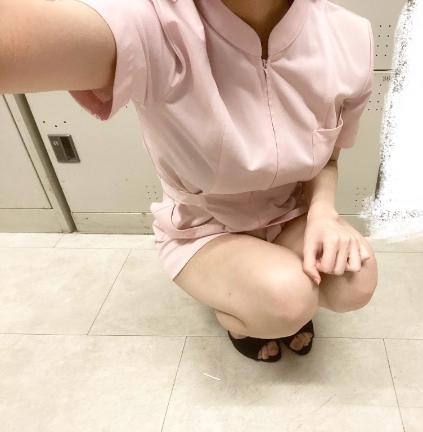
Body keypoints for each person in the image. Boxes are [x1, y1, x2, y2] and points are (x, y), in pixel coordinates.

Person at [1, 0, 378, 362]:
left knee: (356, 281)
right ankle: (241, 320)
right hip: (204, 227)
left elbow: (328, 157)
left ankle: (268, 298)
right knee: (288, 300)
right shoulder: (151, 23)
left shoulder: (347, 36)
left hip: (288, 214)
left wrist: (323, 213)